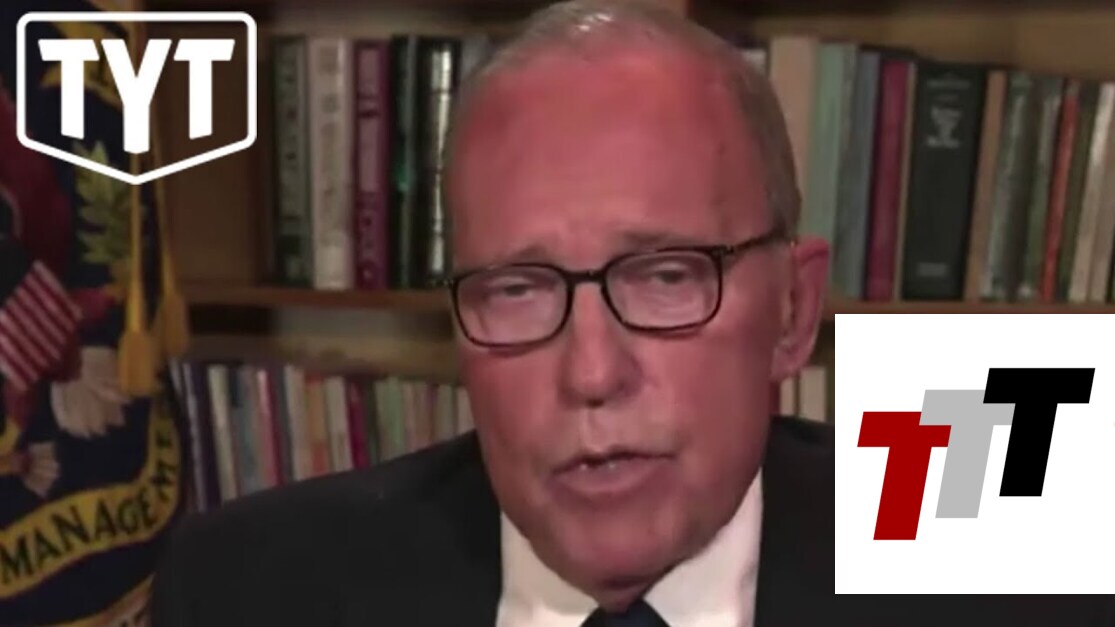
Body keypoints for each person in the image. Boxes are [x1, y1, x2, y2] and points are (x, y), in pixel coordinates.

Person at [150, 2, 1115, 626]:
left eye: (664, 276)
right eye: (518, 288)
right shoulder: (247, 587)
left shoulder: (1025, 556)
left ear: (791, 312)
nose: (592, 373)